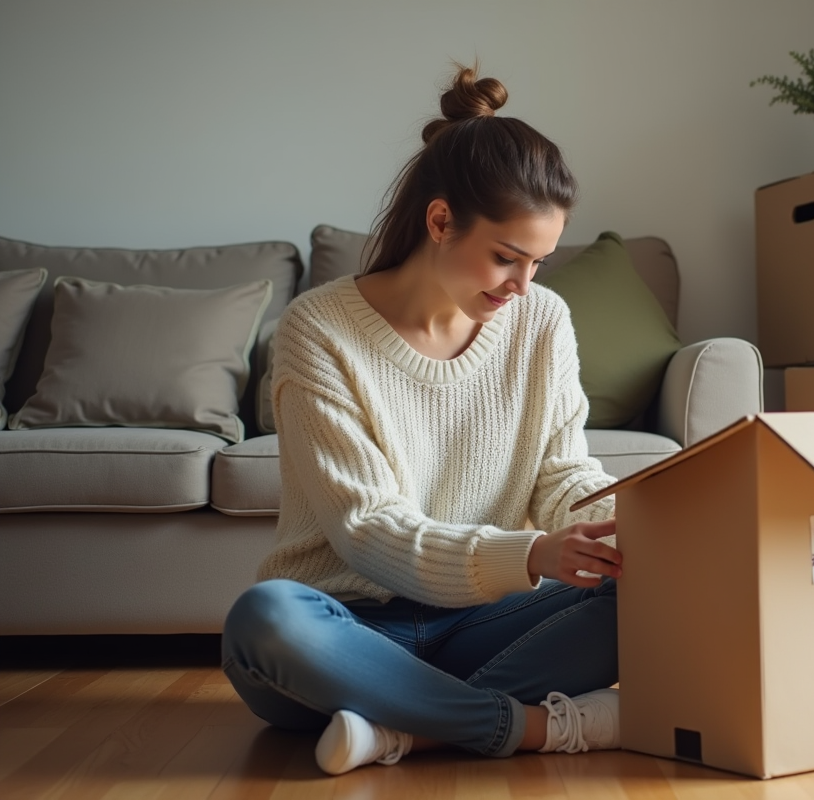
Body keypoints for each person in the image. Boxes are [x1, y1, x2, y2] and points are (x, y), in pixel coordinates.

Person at [221, 64, 623, 776]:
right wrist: (530, 554)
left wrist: (629, 529)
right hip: (347, 629)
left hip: (481, 624)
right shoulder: (318, 329)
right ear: (441, 221)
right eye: (506, 258)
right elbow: (366, 530)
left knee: (647, 585)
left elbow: (563, 473)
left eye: (539, 263)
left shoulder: (542, 320)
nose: (522, 287)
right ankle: (532, 727)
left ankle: (406, 729)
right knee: (265, 621)